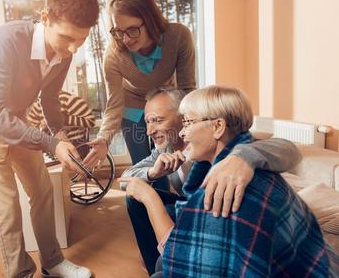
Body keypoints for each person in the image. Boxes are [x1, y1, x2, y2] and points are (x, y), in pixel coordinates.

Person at [0, 0, 99, 277]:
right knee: (6, 206)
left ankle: (53, 262)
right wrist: (50, 144)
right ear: (45, 18)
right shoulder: (6, 42)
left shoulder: (65, 53)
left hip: (14, 116)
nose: (73, 48)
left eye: (81, 39)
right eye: (66, 37)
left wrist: (59, 135)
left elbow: (49, 97)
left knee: (42, 190)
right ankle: (20, 273)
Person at [120, 86, 337, 277]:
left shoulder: (233, 172)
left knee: (162, 261)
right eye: (147, 122)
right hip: (197, 210)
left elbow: (288, 148)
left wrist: (243, 157)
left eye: (187, 121)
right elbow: (127, 179)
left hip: (213, 215)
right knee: (140, 215)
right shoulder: (167, 151)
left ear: (217, 127)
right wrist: (152, 173)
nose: (149, 130)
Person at [83, 0, 196, 192]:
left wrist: (190, 127)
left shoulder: (179, 36)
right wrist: (103, 139)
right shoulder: (114, 56)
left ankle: (171, 211)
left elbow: (187, 89)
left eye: (132, 30)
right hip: (132, 108)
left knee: (168, 157)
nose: (125, 39)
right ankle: (152, 206)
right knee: (147, 165)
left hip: (164, 103)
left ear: (150, 19)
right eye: (118, 31)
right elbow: (114, 103)